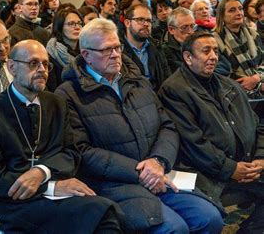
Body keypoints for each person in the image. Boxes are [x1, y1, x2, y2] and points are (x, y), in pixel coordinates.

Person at [55, 18, 224, 233]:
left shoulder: (137, 81)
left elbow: (167, 126)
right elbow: (82, 151)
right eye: (106, 50)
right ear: (86, 55)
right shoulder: (69, 93)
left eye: (117, 47)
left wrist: (158, 161)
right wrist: (141, 172)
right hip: (113, 184)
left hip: (158, 172)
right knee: (174, 229)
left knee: (210, 219)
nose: (116, 55)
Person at [0, 39, 123, 233]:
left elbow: (71, 153)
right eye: (34, 63)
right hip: (15, 204)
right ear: (12, 67)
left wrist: (42, 172)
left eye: (45, 64)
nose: (42, 69)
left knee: (105, 215)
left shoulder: (56, 103)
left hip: (57, 191)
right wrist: (50, 188)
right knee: (102, 214)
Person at [158, 31, 264, 232]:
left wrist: (260, 158)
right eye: (206, 51)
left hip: (247, 165)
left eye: (215, 50)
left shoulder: (227, 84)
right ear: (188, 57)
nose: (214, 56)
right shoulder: (174, 90)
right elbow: (193, 143)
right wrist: (231, 168)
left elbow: (257, 124)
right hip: (206, 173)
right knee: (209, 218)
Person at [214, 0, 263, 94]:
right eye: (232, 10)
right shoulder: (215, 39)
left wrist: (257, 78)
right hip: (232, 92)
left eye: (240, 9)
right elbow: (222, 72)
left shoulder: (254, 34)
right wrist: (258, 85)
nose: (238, 13)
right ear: (222, 16)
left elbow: (262, 62)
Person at [122, 4, 171, 91]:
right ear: (127, 23)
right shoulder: (118, 50)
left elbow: (166, 79)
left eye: (149, 20)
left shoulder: (157, 47)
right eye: (140, 19)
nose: (146, 24)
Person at [45, 8, 83, 91]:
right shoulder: (51, 54)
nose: (77, 27)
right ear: (60, 27)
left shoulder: (87, 50)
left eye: (79, 23)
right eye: (71, 24)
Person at [163, 7, 197, 72]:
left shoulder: (199, 44)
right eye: (184, 28)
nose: (190, 32)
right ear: (171, 30)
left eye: (192, 26)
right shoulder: (165, 52)